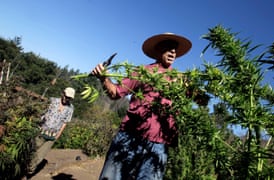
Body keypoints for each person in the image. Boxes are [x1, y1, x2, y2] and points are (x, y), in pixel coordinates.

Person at [92, 33, 192, 180]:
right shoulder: (142, 72)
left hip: (159, 145)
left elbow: (200, 100)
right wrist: (103, 78)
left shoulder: (181, 80)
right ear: (158, 50)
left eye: (175, 49)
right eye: (168, 48)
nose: (173, 52)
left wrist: (203, 87)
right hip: (129, 137)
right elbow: (115, 93)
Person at [28, 87, 75, 174]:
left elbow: (65, 122)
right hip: (41, 131)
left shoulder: (70, 108)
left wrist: (58, 135)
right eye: (66, 96)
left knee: (39, 156)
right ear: (62, 94)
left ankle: (28, 171)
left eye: (69, 98)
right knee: (32, 151)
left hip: (53, 135)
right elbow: (41, 113)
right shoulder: (52, 101)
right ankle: (22, 170)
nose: (67, 99)